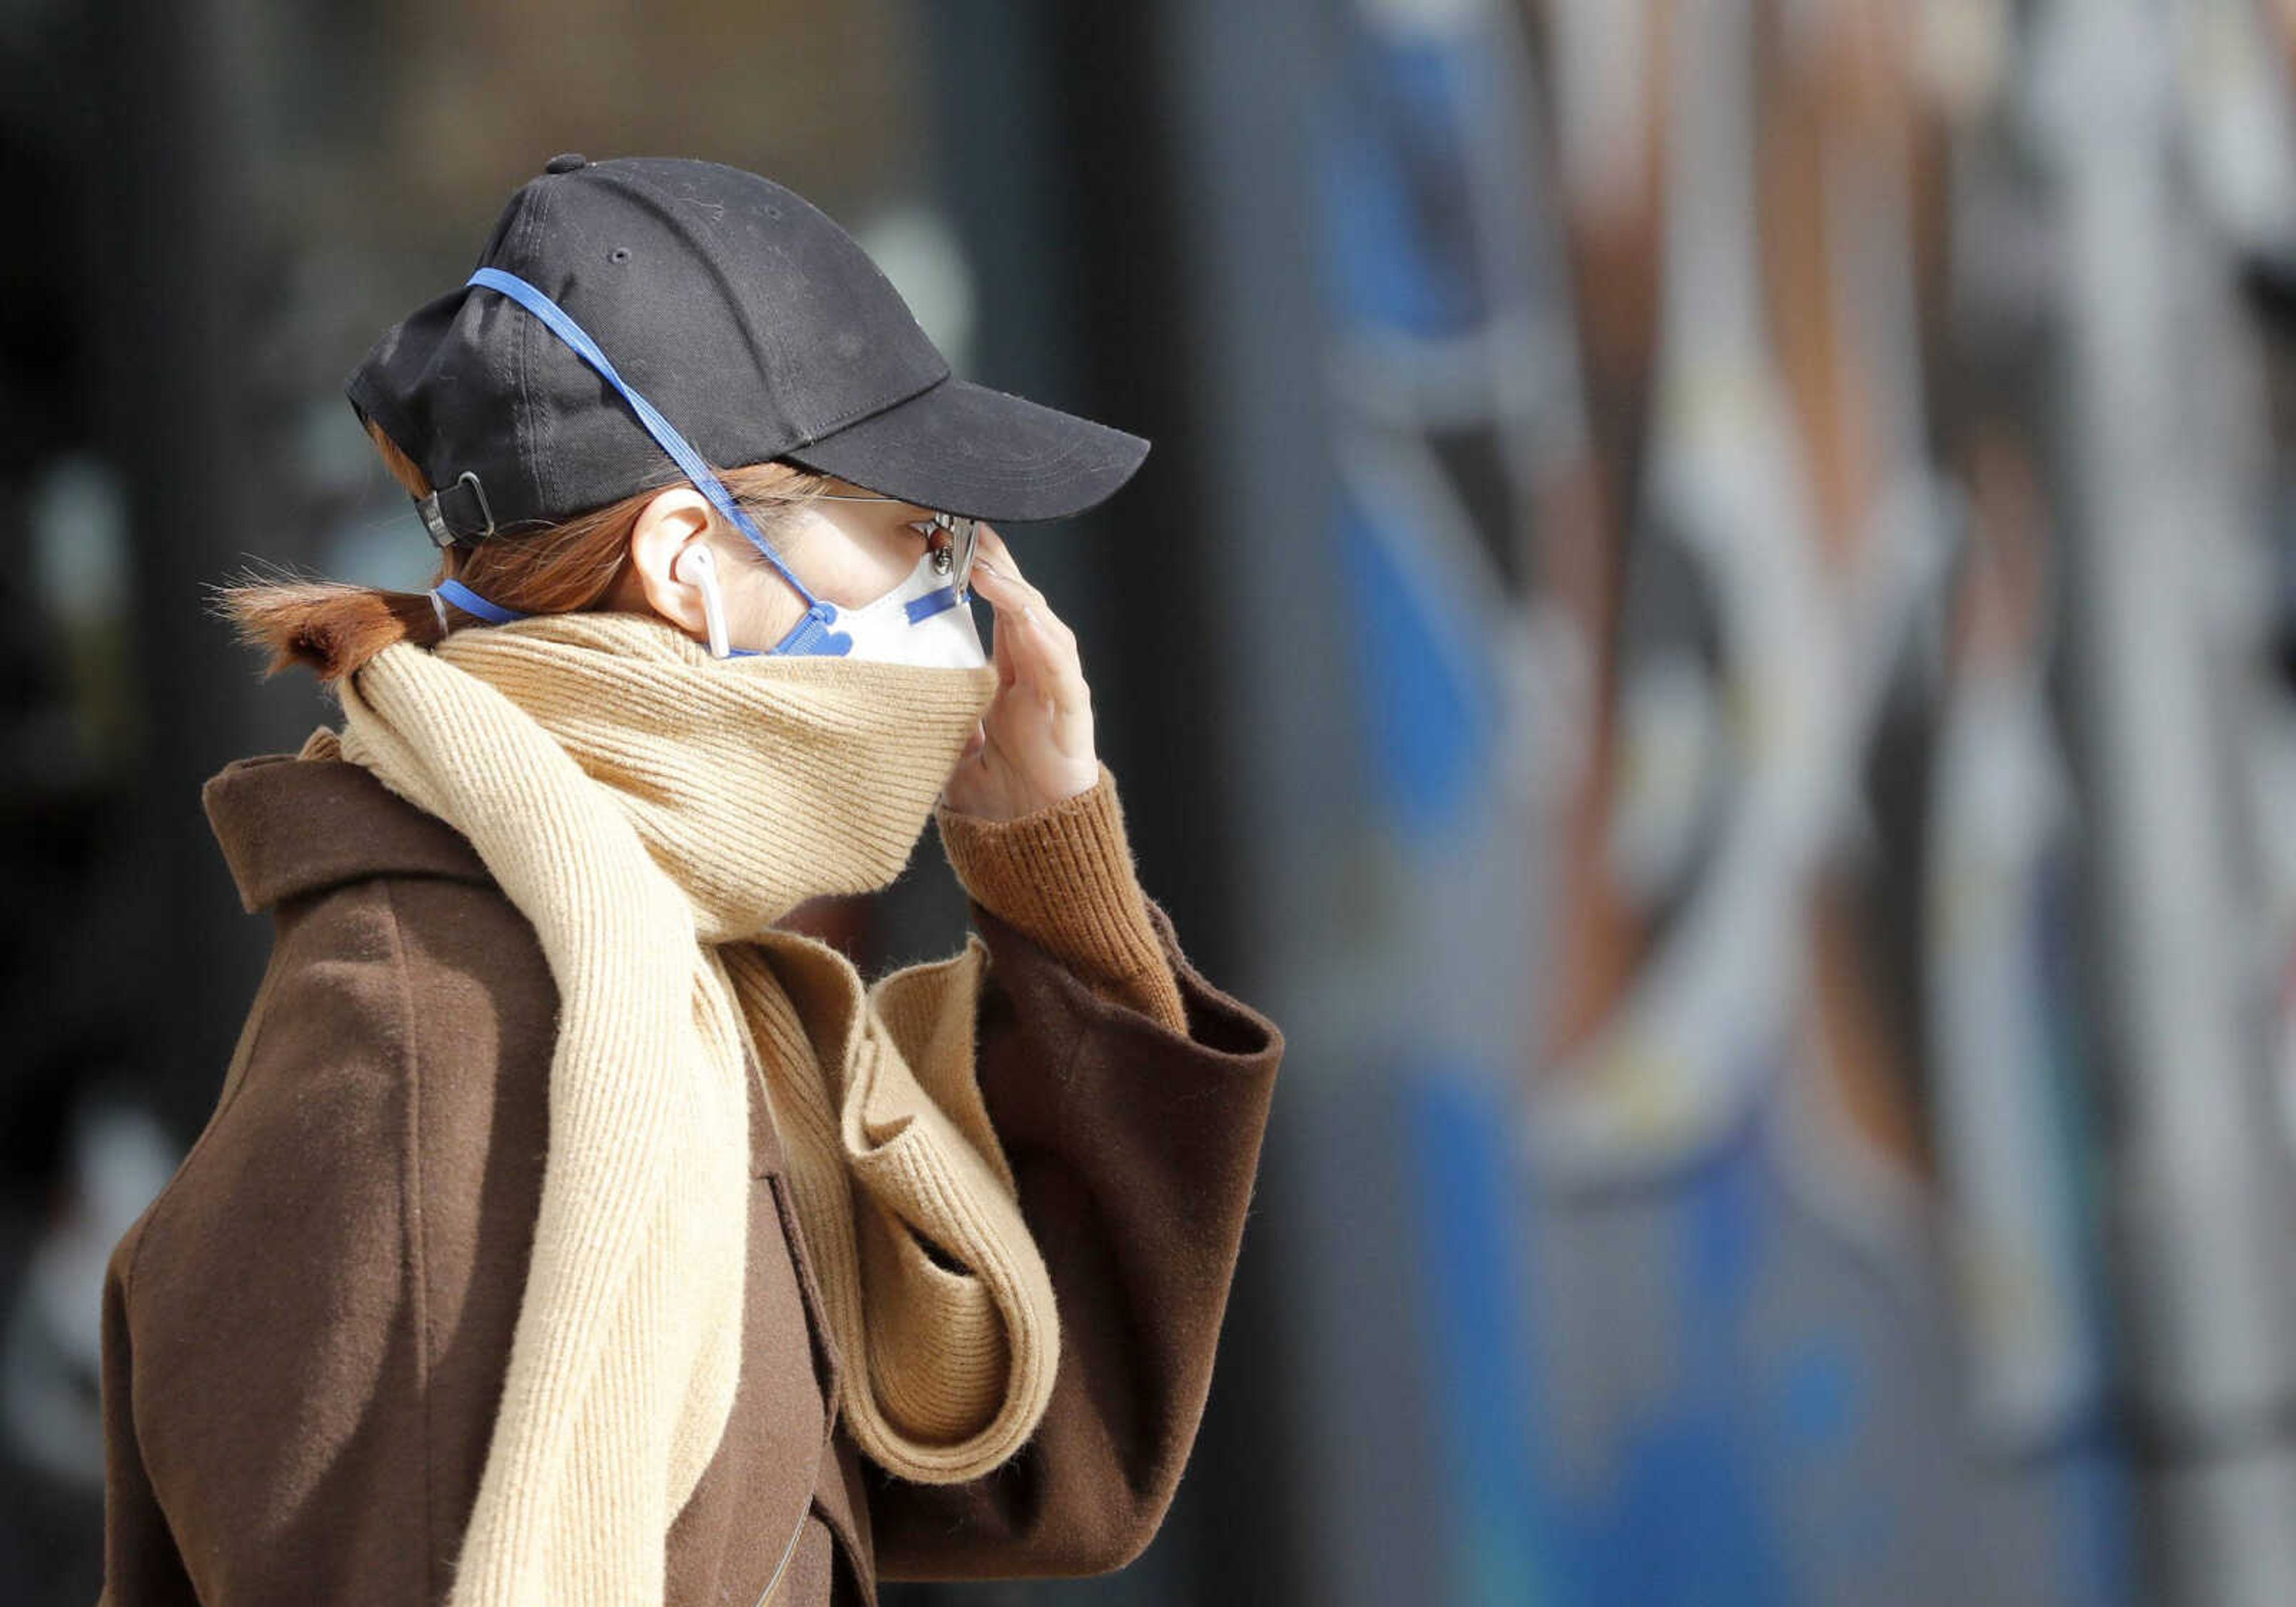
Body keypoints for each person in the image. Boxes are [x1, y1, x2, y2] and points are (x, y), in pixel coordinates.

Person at [93, 154, 1284, 1607]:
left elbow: (1044, 1464)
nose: (973, 597)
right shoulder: (434, 1055)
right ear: (688, 560)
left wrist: (1050, 865)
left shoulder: (679, 1002)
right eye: (922, 534)